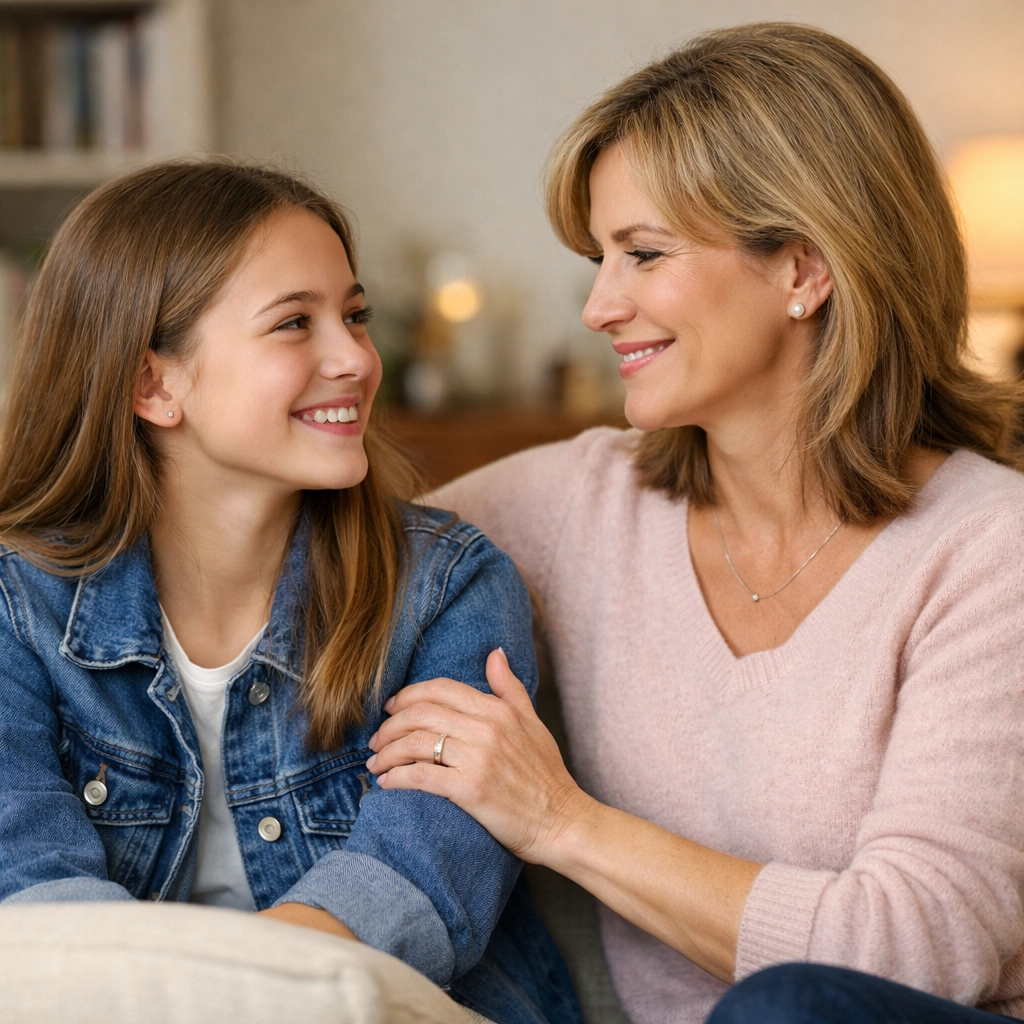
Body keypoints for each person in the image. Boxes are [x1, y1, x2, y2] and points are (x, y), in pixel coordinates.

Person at [365, 23, 1024, 1024]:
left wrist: (561, 821)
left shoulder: (990, 548)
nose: (597, 306)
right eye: (601, 257)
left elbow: (918, 947)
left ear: (803, 268)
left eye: (642, 255)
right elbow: (313, 554)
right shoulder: (577, 507)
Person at [0, 161, 582, 1024]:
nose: (354, 358)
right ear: (152, 384)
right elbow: (31, 898)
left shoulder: (450, 589)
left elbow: (422, 875)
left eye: (354, 315)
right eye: (293, 325)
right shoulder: (18, 602)